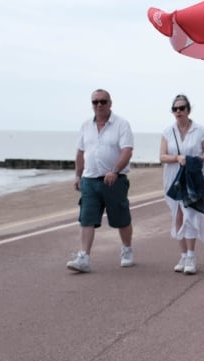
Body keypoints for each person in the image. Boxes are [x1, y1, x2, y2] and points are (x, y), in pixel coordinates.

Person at [66, 89, 135, 273]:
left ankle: (127, 249)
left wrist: (114, 171)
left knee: (121, 218)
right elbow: (81, 152)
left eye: (103, 101)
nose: (99, 105)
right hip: (89, 180)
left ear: (110, 103)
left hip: (114, 179)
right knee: (86, 219)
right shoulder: (86, 126)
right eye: (95, 102)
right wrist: (77, 176)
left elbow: (127, 151)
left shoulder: (121, 124)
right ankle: (84, 257)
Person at [159, 94, 204, 275]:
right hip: (173, 180)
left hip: (192, 179)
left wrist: (195, 159)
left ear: (188, 110)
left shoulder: (200, 130)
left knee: (190, 214)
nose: (178, 111)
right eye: (175, 109)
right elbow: (162, 156)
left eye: (182, 108)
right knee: (178, 215)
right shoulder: (168, 132)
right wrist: (177, 158)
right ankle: (183, 255)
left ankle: (191, 255)